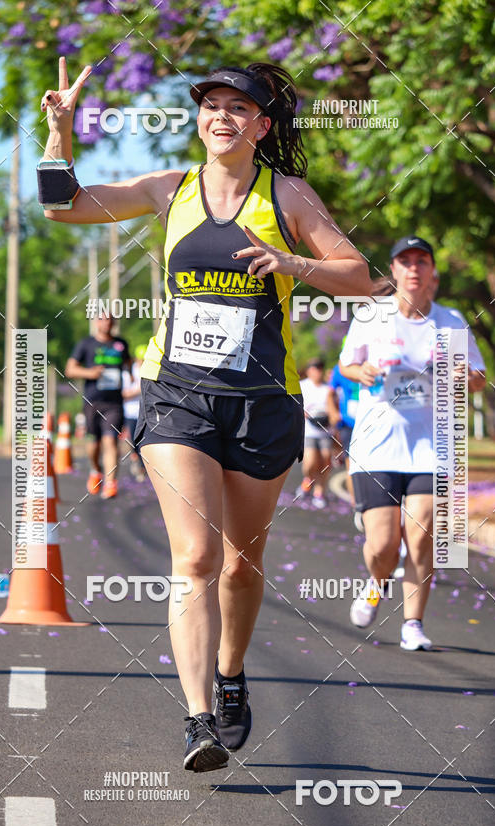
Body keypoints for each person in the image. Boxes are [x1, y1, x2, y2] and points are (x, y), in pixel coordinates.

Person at [39, 58, 372, 770]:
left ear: (261, 126)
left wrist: (292, 262)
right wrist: (60, 133)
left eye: (236, 107)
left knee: (242, 566)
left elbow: (359, 275)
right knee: (194, 557)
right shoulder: (172, 189)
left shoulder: (287, 195)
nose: (219, 116)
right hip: (175, 395)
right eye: (210, 105)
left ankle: (229, 674)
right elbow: (63, 205)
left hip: (260, 403)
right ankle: (197, 721)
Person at [339, 235, 485, 650]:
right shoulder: (372, 317)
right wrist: (362, 371)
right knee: (383, 545)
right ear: (396, 270)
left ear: (432, 272)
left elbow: (478, 376)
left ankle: (413, 624)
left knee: (421, 536)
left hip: (430, 446)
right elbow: (346, 364)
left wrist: (464, 377)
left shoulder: (451, 322)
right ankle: (375, 584)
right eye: (406, 260)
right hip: (376, 445)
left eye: (423, 260)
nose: (415, 267)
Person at [65, 311, 131, 499]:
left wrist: (133, 373)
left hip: (115, 402)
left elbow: (128, 363)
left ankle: (111, 483)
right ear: (96, 322)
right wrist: (90, 373)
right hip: (92, 401)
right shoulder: (86, 344)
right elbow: (70, 369)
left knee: (110, 440)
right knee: (94, 441)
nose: (107, 322)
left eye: (110, 319)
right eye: (103, 319)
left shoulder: (121, 344)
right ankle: (96, 470)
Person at [296, 358, 335, 508]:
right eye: (314, 368)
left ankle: (319, 492)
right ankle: (308, 479)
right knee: (310, 462)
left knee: (325, 461)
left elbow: (334, 408)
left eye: (320, 368)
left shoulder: (328, 389)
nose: (317, 371)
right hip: (309, 431)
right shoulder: (303, 386)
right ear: (309, 370)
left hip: (326, 430)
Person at [327, 335, 360, 499]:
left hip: (373, 422)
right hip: (348, 423)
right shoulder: (339, 369)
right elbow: (330, 393)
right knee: (351, 464)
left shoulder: (373, 364)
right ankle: (356, 504)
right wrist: (333, 412)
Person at [121, 343, 147, 481]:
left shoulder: (148, 371)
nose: (143, 362)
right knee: (134, 442)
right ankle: (137, 461)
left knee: (144, 441)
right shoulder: (128, 372)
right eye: (141, 360)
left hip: (145, 412)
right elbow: (123, 393)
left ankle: (143, 467)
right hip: (131, 412)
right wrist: (137, 391)